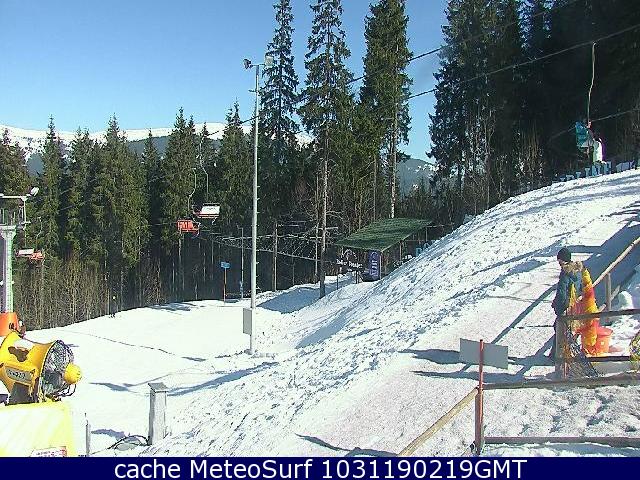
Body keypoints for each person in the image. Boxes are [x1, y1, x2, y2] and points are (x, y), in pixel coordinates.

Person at [551, 247, 600, 355]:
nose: (559, 263)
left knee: (559, 328)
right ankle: (558, 353)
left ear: (563, 260)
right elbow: (580, 287)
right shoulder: (577, 271)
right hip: (574, 305)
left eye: (560, 261)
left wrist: (557, 305)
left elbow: (562, 292)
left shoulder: (565, 274)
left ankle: (558, 355)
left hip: (565, 306)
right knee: (566, 329)